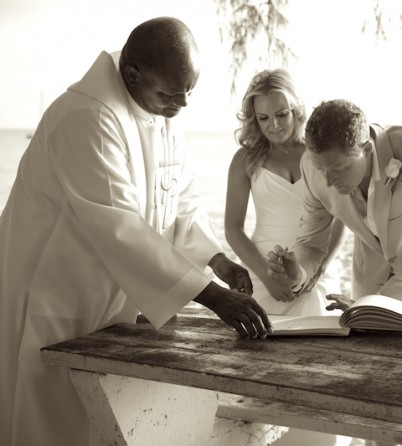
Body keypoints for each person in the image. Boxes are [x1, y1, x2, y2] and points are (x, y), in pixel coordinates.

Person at [0, 17, 271, 446]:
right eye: (170, 95)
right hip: (56, 293)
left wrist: (216, 261)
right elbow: (117, 223)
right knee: (51, 420)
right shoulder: (88, 115)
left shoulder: (161, 107)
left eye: (188, 95)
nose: (180, 107)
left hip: (112, 299)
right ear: (132, 74)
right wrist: (211, 296)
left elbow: (178, 197)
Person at [268, 99, 402, 317]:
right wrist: (299, 274)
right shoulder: (311, 166)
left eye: (339, 169)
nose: (328, 181)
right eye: (320, 168)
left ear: (367, 149)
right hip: (373, 279)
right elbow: (311, 244)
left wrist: (374, 304)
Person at [225, 69, 345, 315]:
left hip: (318, 267)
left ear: (296, 110)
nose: (274, 125)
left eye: (281, 114)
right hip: (262, 269)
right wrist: (267, 277)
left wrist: (317, 272)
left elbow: (341, 218)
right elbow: (233, 229)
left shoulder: (319, 154)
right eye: (263, 118)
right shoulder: (244, 160)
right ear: (254, 119)